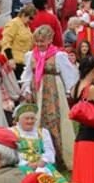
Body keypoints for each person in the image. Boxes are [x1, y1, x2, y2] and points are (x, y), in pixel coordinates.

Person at [20, 25, 79, 171]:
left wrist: (68, 91)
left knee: (54, 121)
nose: (39, 44)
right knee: (37, 121)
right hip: (36, 90)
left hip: (53, 91)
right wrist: (26, 88)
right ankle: (35, 156)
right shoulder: (31, 55)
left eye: (42, 41)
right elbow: (27, 74)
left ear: (50, 40)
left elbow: (70, 74)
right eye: (37, 41)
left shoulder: (58, 56)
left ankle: (60, 157)